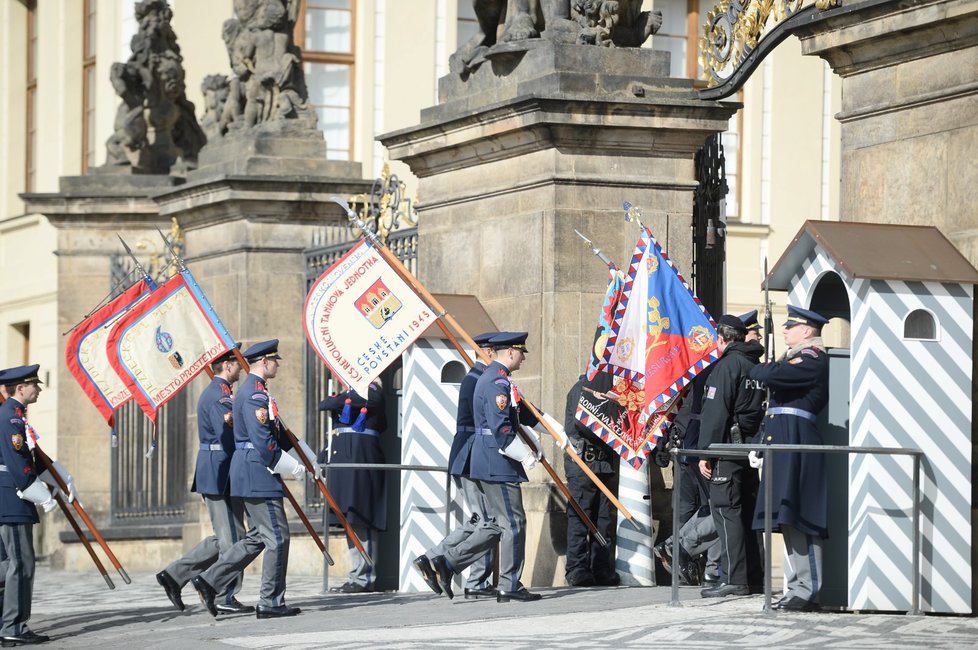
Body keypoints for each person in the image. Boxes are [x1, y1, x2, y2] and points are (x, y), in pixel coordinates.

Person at [191, 340, 314, 619]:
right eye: (275, 360)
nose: (278, 365)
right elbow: (264, 443)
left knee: (259, 536)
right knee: (278, 538)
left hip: (250, 470)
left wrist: (307, 456)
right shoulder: (254, 395)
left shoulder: (256, 391)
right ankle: (270, 601)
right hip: (258, 471)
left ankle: (210, 580)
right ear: (264, 362)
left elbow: (280, 432)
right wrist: (293, 469)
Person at [427, 332, 542, 603]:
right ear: (510, 353)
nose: (524, 357)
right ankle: (508, 583)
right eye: (521, 352)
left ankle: (448, 562)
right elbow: (501, 427)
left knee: (497, 524)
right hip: (496, 460)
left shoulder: (496, 378)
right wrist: (525, 455)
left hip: (489, 458)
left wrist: (547, 432)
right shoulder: (495, 381)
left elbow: (522, 415)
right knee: (513, 522)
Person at [156, 345, 253, 614]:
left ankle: (175, 575)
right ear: (228, 365)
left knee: (226, 536)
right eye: (237, 361)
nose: (240, 366)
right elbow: (227, 434)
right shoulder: (217, 396)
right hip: (220, 471)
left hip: (220, 470)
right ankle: (225, 594)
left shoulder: (221, 393)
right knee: (233, 538)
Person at [750, 305, 830, 612]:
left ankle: (808, 589)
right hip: (784, 442)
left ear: (807, 331)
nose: (785, 330)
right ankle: (797, 587)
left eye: (791, 326)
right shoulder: (794, 357)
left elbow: (770, 374)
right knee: (788, 516)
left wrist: (766, 367)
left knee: (803, 515)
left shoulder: (812, 358)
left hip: (799, 444)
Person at [413, 332, 498, 600]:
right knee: (486, 522)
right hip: (473, 454)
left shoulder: (476, 378)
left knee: (477, 521)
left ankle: (431, 559)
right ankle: (476, 581)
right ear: (486, 352)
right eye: (495, 351)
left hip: (469, 454)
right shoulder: (480, 380)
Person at [698, 314, 765, 598]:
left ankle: (734, 578)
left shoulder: (727, 366)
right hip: (749, 448)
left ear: (723, 339)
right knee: (747, 514)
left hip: (727, 448)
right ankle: (753, 577)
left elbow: (716, 414)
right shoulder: (754, 364)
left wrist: (705, 453)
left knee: (727, 513)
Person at [319, 379, 389, 593]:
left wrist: (339, 399)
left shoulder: (372, 390)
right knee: (350, 519)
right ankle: (357, 574)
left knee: (362, 519)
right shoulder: (349, 394)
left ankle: (364, 577)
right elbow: (324, 404)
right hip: (344, 462)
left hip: (361, 461)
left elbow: (370, 399)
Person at [0, 365, 53, 646]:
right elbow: (17, 460)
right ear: (20, 388)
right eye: (35, 384)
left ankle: (6, 623)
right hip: (13, 496)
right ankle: (14, 626)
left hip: (7, 495)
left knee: (8, 563)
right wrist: (37, 491)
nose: (39, 389)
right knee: (21, 564)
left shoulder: (15, 415)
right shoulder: (11, 418)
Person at [563, 374, 619, 587]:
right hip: (582, 464)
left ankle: (600, 567)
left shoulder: (605, 390)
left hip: (602, 464)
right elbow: (586, 425)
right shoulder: (582, 389)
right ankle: (576, 568)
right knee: (580, 517)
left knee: (603, 519)